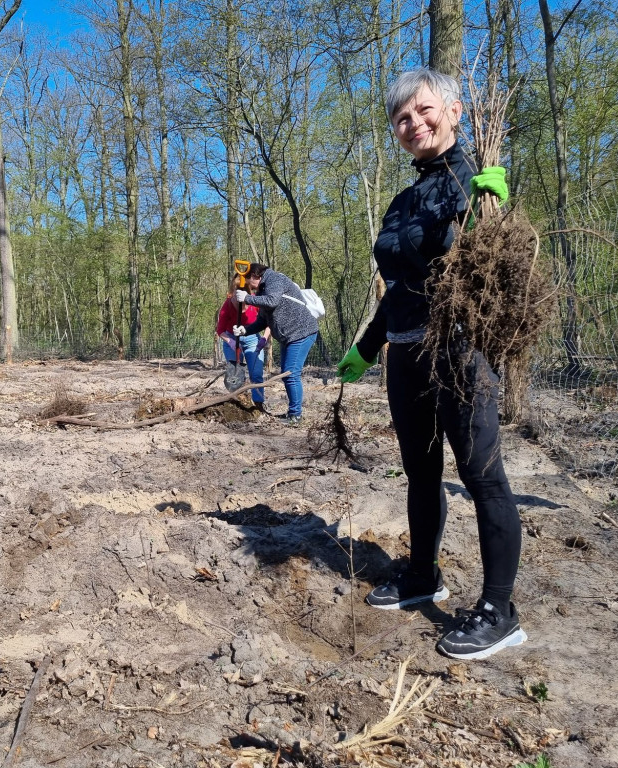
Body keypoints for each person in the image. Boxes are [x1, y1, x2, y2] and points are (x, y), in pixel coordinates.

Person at [336, 68, 524, 660]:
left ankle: (500, 609)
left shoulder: (476, 182)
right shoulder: (400, 201)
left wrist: (491, 208)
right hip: (407, 353)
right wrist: (370, 344)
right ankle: (423, 574)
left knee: (482, 476)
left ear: (454, 110)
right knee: (420, 473)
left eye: (423, 109)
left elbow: (491, 274)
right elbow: (399, 285)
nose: (412, 123)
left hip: (458, 350)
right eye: (400, 118)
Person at [233, 263, 319, 426]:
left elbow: (272, 301)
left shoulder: (275, 279)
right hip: (289, 337)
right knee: (287, 373)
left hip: (302, 333)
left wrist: (247, 299)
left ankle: (296, 416)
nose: (250, 288)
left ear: (254, 276)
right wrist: (244, 330)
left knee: (291, 374)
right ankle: (293, 412)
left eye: (249, 282)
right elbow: (261, 321)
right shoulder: (262, 290)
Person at [216, 272, 269, 408]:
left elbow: (269, 322)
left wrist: (264, 338)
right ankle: (235, 403)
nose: (237, 296)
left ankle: (258, 404)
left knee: (256, 374)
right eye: (235, 293)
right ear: (232, 292)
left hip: (252, 340)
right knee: (234, 376)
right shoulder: (227, 305)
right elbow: (220, 330)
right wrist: (231, 342)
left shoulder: (255, 302)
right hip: (231, 340)